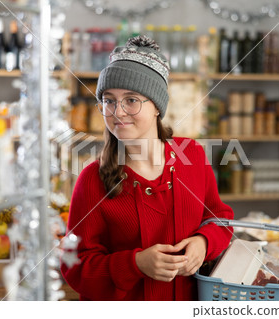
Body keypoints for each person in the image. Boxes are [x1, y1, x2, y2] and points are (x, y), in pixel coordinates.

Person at [61, 35, 234, 301]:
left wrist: (204, 242)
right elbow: (74, 266)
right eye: (108, 100)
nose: (117, 112)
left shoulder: (192, 155)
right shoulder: (92, 179)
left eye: (131, 100)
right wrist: (136, 264)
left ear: (156, 107)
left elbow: (220, 218)